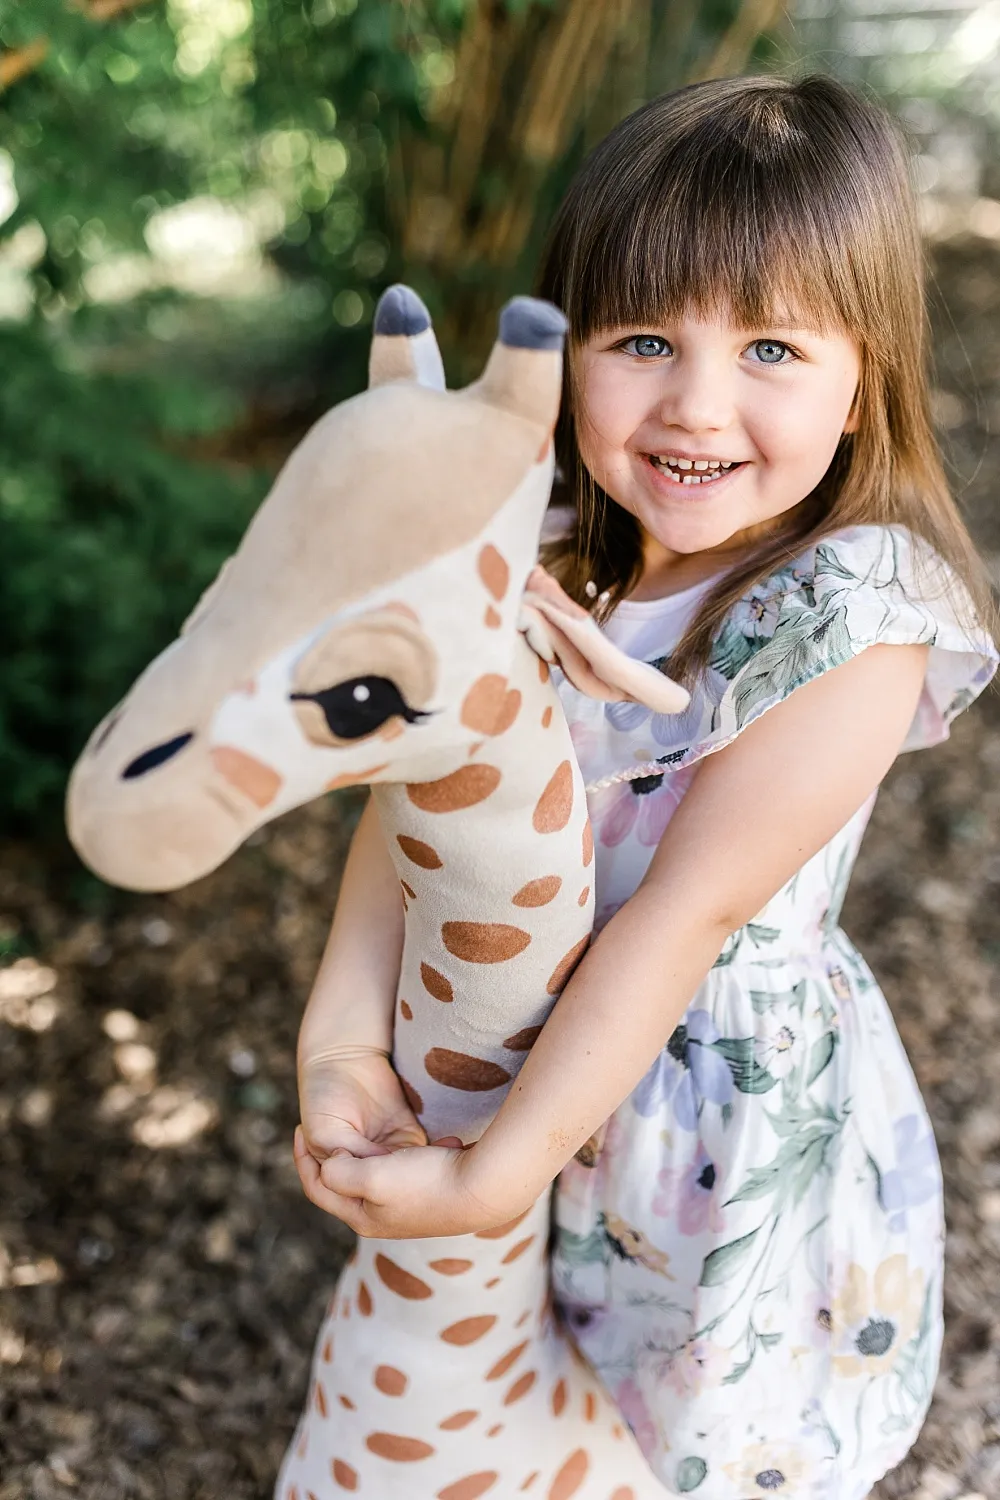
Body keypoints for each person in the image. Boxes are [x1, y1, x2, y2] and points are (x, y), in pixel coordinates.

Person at [291, 74, 998, 1498]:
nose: (697, 404)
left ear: (868, 377)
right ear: (565, 355)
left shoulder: (852, 612)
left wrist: (498, 1176)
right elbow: (416, 806)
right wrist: (341, 1039)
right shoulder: (539, 549)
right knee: (479, 1392)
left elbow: (680, 918)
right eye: (645, 338)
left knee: (683, 1442)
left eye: (774, 351)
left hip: (697, 1124)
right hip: (498, 1033)